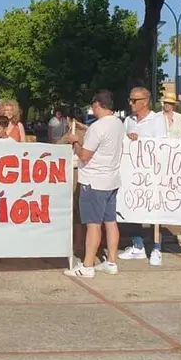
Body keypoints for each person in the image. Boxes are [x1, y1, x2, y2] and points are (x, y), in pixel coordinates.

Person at [64, 91, 125, 278]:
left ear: (98, 104)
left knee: (93, 224)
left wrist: (75, 141)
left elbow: (84, 155)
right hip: (111, 179)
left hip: (94, 181)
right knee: (110, 222)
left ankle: (87, 264)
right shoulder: (117, 123)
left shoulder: (98, 127)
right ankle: (111, 261)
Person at [119, 87, 168, 265]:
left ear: (145, 101)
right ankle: (137, 245)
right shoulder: (129, 120)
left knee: (154, 210)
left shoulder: (157, 119)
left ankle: (156, 247)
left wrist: (141, 140)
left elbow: (162, 144)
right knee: (133, 208)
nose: (130, 103)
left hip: (152, 172)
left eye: (134, 100)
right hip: (132, 173)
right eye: (130, 99)